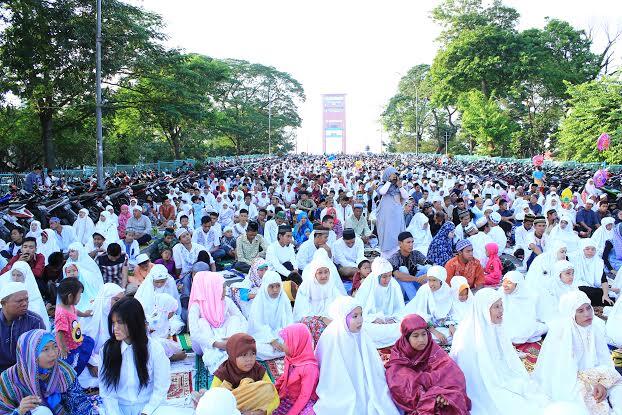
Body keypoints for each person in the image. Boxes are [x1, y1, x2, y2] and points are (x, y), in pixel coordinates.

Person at [450, 288, 552, 414]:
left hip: (501, 373)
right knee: (504, 400)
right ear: (484, 309)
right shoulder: (466, 335)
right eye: (496, 307)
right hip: (482, 381)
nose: (501, 310)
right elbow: (472, 372)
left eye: (501, 305)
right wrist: (496, 377)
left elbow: (503, 351)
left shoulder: (495, 325)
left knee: (527, 389)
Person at [534, 291, 622, 414]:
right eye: (580, 311)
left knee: (618, 390)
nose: (587, 314)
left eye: (588, 308)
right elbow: (564, 374)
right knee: (591, 405)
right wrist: (592, 385)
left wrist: (603, 383)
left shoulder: (595, 328)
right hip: (573, 381)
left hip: (597, 374)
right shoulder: (564, 334)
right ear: (571, 314)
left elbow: (605, 360)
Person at [313, 296, 400, 415]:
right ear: (343, 317)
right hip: (341, 386)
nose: (360, 320)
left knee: (379, 400)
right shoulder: (331, 337)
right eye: (355, 316)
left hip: (364, 383)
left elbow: (373, 367)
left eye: (361, 315)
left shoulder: (361, 334)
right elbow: (329, 372)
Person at [385, 314, 471, 415]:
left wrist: (442, 395)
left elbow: (452, 373)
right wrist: (432, 398)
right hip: (423, 398)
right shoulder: (399, 356)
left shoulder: (433, 349)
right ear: (406, 338)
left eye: (424, 334)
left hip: (439, 394)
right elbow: (401, 385)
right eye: (415, 336)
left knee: (454, 399)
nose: (421, 339)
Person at [99, 297, 171, 415]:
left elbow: (161, 388)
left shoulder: (154, 349)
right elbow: (107, 391)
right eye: (113, 323)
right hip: (118, 409)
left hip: (149, 408)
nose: (115, 328)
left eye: (120, 322)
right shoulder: (107, 350)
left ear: (134, 322)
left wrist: (146, 411)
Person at [0, 329, 97, 415]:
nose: (53, 354)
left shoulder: (64, 372)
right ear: (29, 354)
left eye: (55, 346)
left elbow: (78, 402)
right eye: (45, 349)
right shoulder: (8, 380)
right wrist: (19, 411)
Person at [188, 271, 248, 374]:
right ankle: (216, 362)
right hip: (207, 344)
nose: (226, 291)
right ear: (212, 289)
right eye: (223, 288)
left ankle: (231, 353)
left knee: (235, 319)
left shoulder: (226, 301)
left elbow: (243, 320)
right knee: (202, 323)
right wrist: (216, 344)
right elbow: (194, 334)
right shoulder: (196, 306)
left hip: (226, 339)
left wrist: (232, 340)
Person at [211, 333, 280, 414]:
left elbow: (274, 397)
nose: (249, 359)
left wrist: (260, 412)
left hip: (255, 409)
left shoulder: (258, 369)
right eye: (244, 355)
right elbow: (213, 398)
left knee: (268, 388)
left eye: (253, 354)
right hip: (230, 409)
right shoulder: (223, 372)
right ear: (233, 354)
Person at [292, 251, 343, 345]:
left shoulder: (331, 284)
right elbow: (302, 312)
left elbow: (340, 302)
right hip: (312, 320)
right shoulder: (307, 286)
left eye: (326, 272)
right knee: (309, 323)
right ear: (314, 273)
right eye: (320, 272)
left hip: (329, 318)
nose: (324, 276)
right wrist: (321, 318)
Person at [354, 257, 404, 348]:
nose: (388, 279)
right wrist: (373, 319)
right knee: (362, 328)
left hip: (392, 322)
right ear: (377, 275)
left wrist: (394, 319)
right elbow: (359, 311)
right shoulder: (368, 284)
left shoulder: (394, 285)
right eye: (384, 276)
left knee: (404, 326)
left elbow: (401, 309)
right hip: (372, 323)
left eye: (389, 276)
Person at [247, 271, 294, 361]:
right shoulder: (259, 300)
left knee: (300, 340)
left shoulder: (284, 298)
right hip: (263, 338)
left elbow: (289, 321)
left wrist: (286, 339)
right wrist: (272, 340)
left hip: (281, 335)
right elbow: (257, 325)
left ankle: (283, 350)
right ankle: (285, 351)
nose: (275, 290)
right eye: (271, 286)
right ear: (265, 286)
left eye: (278, 286)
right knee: (256, 347)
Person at [274, 323, 319, 415]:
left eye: (286, 342)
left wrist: (292, 413)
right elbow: (284, 377)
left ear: (296, 343)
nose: (283, 345)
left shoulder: (309, 368)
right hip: (288, 396)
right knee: (271, 407)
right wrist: (274, 388)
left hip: (303, 401)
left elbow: (304, 396)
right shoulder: (290, 358)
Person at [0, 282, 46, 372]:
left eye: (26, 299)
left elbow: (40, 352)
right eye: (19, 301)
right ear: (3, 303)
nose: (25, 304)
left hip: (25, 371)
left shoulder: (35, 321)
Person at [404, 266, 456, 345]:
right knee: (418, 335)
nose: (431, 284)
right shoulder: (424, 290)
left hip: (441, 324)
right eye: (429, 280)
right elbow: (420, 314)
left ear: (441, 280)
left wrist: (450, 325)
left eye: (434, 280)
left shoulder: (446, 290)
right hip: (425, 324)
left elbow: (450, 311)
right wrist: (435, 332)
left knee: (458, 332)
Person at [53, 278, 95, 376]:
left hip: (75, 338)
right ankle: (72, 376)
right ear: (70, 296)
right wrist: (62, 348)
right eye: (80, 294)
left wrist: (85, 314)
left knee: (89, 341)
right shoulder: (61, 313)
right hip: (69, 346)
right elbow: (59, 332)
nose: (80, 297)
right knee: (72, 363)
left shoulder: (70, 306)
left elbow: (76, 311)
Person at [80, 283, 125, 366]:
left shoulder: (120, 316)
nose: (120, 304)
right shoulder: (90, 315)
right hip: (88, 360)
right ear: (106, 299)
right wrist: (90, 364)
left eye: (121, 301)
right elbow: (80, 343)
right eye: (116, 300)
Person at [499, 271, 547, 344]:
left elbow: (538, 315)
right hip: (504, 324)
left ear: (518, 285)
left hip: (526, 326)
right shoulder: (501, 292)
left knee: (546, 327)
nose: (504, 285)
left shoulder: (530, 296)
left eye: (509, 282)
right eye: (504, 281)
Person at [0, 261, 50, 331]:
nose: (15, 278)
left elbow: (37, 312)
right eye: (13, 275)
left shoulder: (33, 292)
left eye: (19, 275)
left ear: (26, 275)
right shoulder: (7, 290)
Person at [569, 238, 613, 307]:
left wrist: (605, 295)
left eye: (593, 249)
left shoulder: (598, 262)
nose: (590, 251)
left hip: (593, 289)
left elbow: (604, 280)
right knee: (580, 291)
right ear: (582, 249)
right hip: (579, 287)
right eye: (587, 249)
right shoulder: (574, 259)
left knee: (606, 299)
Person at [388, 231, 430, 301]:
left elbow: (433, 265)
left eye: (412, 242)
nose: (411, 245)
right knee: (402, 269)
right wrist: (417, 279)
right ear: (400, 244)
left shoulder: (416, 254)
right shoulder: (394, 257)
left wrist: (426, 275)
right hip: (401, 292)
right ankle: (415, 302)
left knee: (428, 268)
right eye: (408, 242)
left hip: (413, 287)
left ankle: (427, 298)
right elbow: (398, 275)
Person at [376, 167, 409, 256]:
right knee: (387, 234)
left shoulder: (398, 187)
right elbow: (382, 192)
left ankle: (398, 253)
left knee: (397, 233)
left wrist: (400, 186)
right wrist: (389, 181)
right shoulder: (382, 184)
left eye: (395, 175)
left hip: (397, 215)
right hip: (386, 216)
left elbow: (406, 196)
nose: (394, 177)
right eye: (392, 175)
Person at [144, 293, 186, 362]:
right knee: (163, 344)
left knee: (175, 346)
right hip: (152, 344)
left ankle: (172, 354)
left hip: (157, 342)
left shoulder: (159, 316)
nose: (173, 314)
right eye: (173, 312)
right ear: (168, 312)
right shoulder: (156, 320)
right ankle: (172, 357)